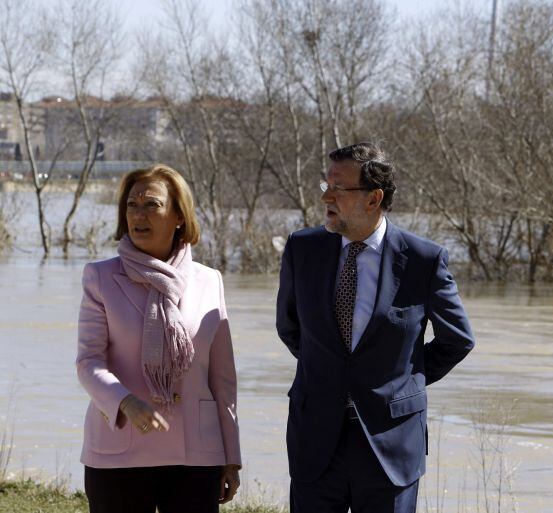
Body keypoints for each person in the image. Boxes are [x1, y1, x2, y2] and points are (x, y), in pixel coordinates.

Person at [276, 142, 475, 513]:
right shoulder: (302, 249)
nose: (326, 197)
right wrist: (332, 374)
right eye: (326, 185)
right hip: (316, 436)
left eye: (338, 188)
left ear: (373, 198)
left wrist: (399, 381)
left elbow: (457, 340)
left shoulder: (423, 259)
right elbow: (290, 328)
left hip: (390, 442)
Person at [76, 164, 241, 513]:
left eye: (152, 204)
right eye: (132, 205)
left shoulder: (209, 280)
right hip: (119, 448)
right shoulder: (100, 277)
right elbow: (88, 363)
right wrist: (124, 400)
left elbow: (223, 379)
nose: (139, 214)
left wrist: (231, 455)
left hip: (196, 452)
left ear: (179, 215)